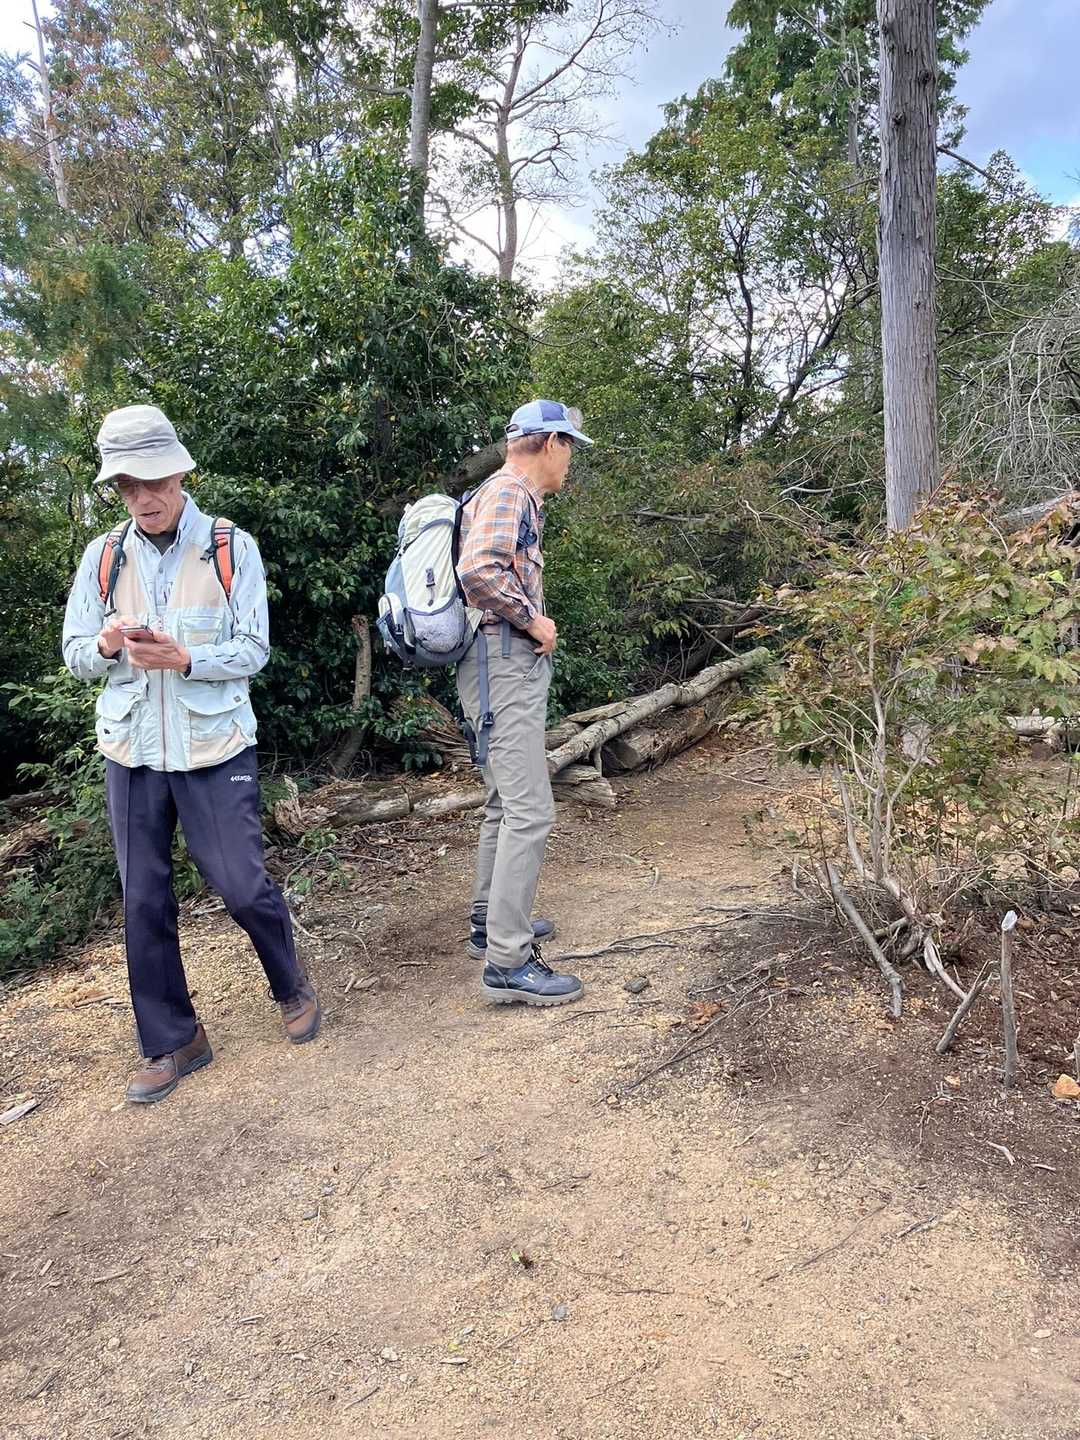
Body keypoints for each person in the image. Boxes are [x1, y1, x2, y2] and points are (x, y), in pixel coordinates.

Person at [62, 404, 320, 1104]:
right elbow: (75, 653)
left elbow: (255, 648)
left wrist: (186, 659)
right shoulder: (103, 557)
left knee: (241, 883)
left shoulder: (229, 547)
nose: (143, 497)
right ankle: (174, 1040)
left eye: (154, 481)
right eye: (128, 485)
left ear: (180, 474)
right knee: (143, 900)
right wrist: (106, 645)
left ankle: (290, 984)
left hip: (215, 744)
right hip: (132, 749)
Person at [455, 399, 592, 1007]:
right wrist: (533, 620)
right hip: (502, 662)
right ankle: (508, 961)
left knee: (504, 801)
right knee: (531, 810)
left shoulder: (506, 493)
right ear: (551, 442)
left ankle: (491, 922)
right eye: (570, 447)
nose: (570, 461)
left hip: (495, 664)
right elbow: (479, 571)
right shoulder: (511, 491)